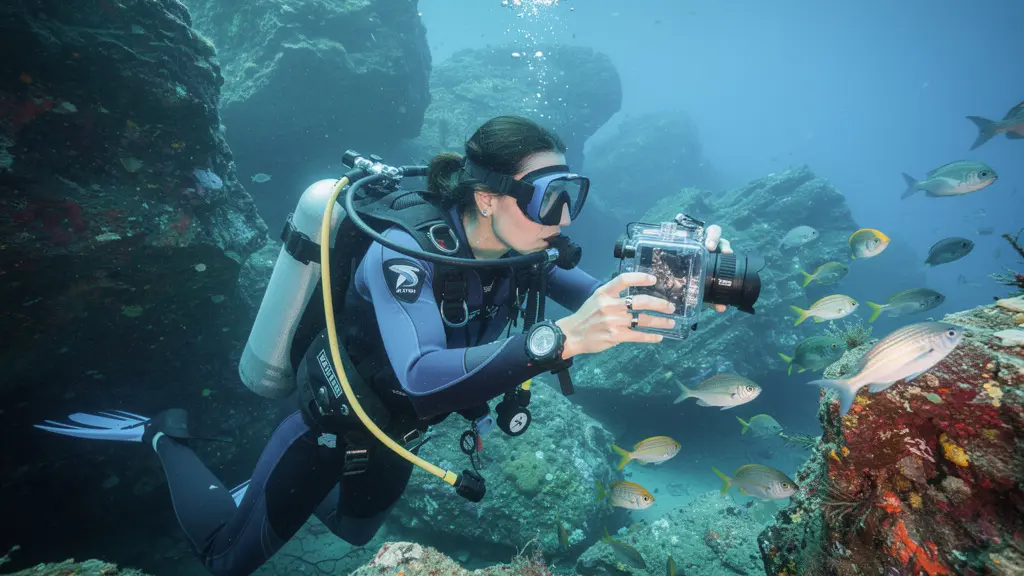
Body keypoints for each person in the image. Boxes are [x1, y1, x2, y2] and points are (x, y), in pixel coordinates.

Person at [36, 116, 732, 576]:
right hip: (334, 429)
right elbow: (424, 374)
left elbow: (610, 299)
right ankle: (168, 440)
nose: (564, 218)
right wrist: (559, 339)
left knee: (351, 533)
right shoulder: (402, 253)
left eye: (572, 195)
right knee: (225, 560)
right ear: (487, 198)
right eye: (549, 197)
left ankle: (257, 491)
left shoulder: (524, 253)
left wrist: (703, 281)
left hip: (401, 437)